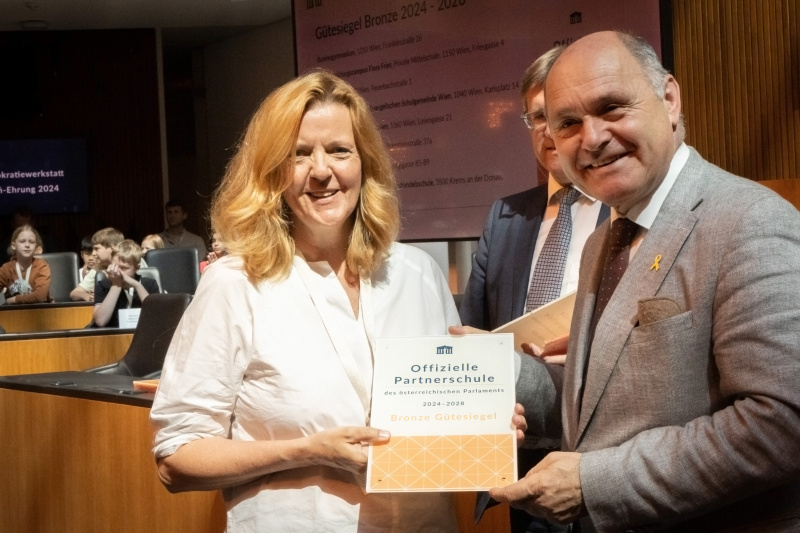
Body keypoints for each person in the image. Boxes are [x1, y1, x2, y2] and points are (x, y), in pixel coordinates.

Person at [485, 31, 800, 532]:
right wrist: (497, 371)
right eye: (568, 123)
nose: (591, 138)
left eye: (611, 108)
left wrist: (594, 484)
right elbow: (605, 400)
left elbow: (781, 424)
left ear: (669, 99)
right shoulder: (605, 239)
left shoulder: (750, 221)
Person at [150, 70, 462, 532]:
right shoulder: (234, 285)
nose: (320, 170)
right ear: (271, 173)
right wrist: (306, 451)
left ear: (365, 163)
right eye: (298, 155)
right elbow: (177, 458)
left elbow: (450, 413)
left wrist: (489, 423)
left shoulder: (418, 274)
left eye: (339, 150)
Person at [459, 48, 608, 532]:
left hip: (600, 461)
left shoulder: (626, 210)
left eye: (562, 116)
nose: (549, 130)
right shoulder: (505, 217)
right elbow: (475, 328)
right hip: (520, 459)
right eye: (538, 117)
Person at [92, 239, 159, 327]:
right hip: (112, 333)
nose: (118, 272)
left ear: (137, 268)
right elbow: (100, 321)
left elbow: (156, 316)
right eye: (115, 266)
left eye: (124, 268)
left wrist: (137, 285)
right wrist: (116, 285)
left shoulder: (149, 284)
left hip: (142, 332)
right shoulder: (103, 285)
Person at [70, 227, 124, 302]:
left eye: (96, 249)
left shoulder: (131, 264)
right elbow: (74, 293)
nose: (93, 253)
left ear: (112, 248)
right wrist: (89, 297)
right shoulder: (97, 268)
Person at [0, 224, 50, 304]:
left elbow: (39, 296)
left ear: (35, 247)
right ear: (13, 246)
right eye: (22, 241)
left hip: (39, 309)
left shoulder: (42, 266)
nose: (27, 245)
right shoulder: (6, 269)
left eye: (31, 242)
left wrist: (13, 300)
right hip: (13, 311)